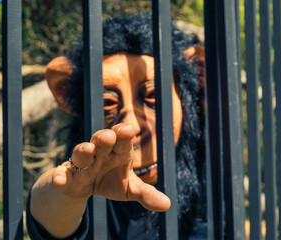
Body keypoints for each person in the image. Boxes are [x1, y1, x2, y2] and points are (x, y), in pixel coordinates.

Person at [26, 14, 206, 240]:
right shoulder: (89, 174)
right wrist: (69, 195)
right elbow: (51, 219)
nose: (130, 126)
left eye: (152, 96)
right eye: (107, 103)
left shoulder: (212, 161)